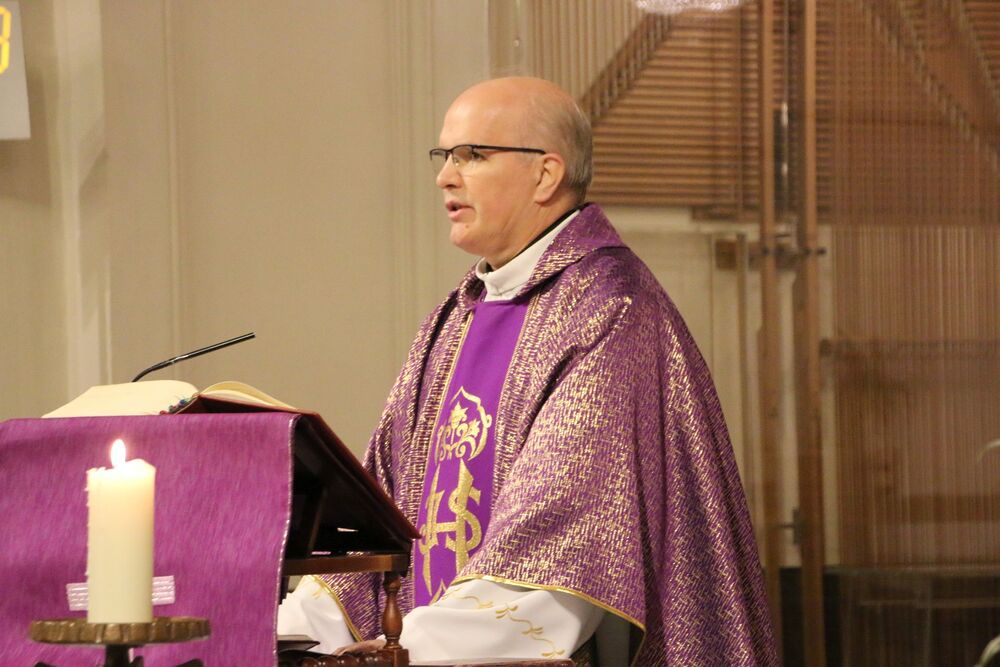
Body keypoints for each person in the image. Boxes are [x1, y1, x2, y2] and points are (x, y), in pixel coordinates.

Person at [278, 77, 777, 666]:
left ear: (545, 174)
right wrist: (281, 631)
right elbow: (382, 513)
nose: (445, 177)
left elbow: (562, 548)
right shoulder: (457, 317)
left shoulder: (609, 309)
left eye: (472, 154)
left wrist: (403, 652)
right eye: (445, 155)